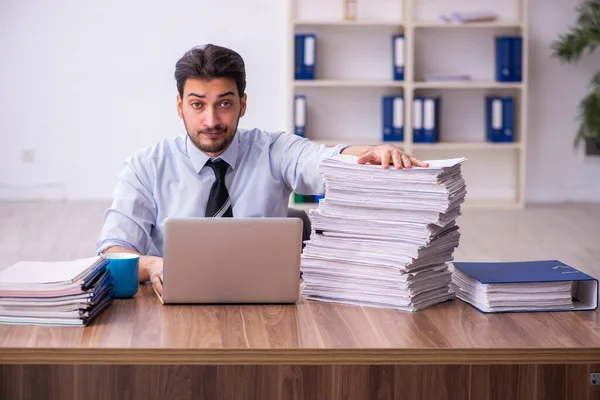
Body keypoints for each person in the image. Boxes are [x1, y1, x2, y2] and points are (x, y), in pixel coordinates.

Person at [97, 44, 429, 294]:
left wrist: (370, 151)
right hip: (171, 302)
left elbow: (322, 159)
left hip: (264, 300)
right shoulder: (146, 166)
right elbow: (113, 252)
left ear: (243, 104)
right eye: (197, 104)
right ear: (180, 106)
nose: (211, 120)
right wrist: (157, 264)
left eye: (224, 104)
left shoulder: (274, 150)